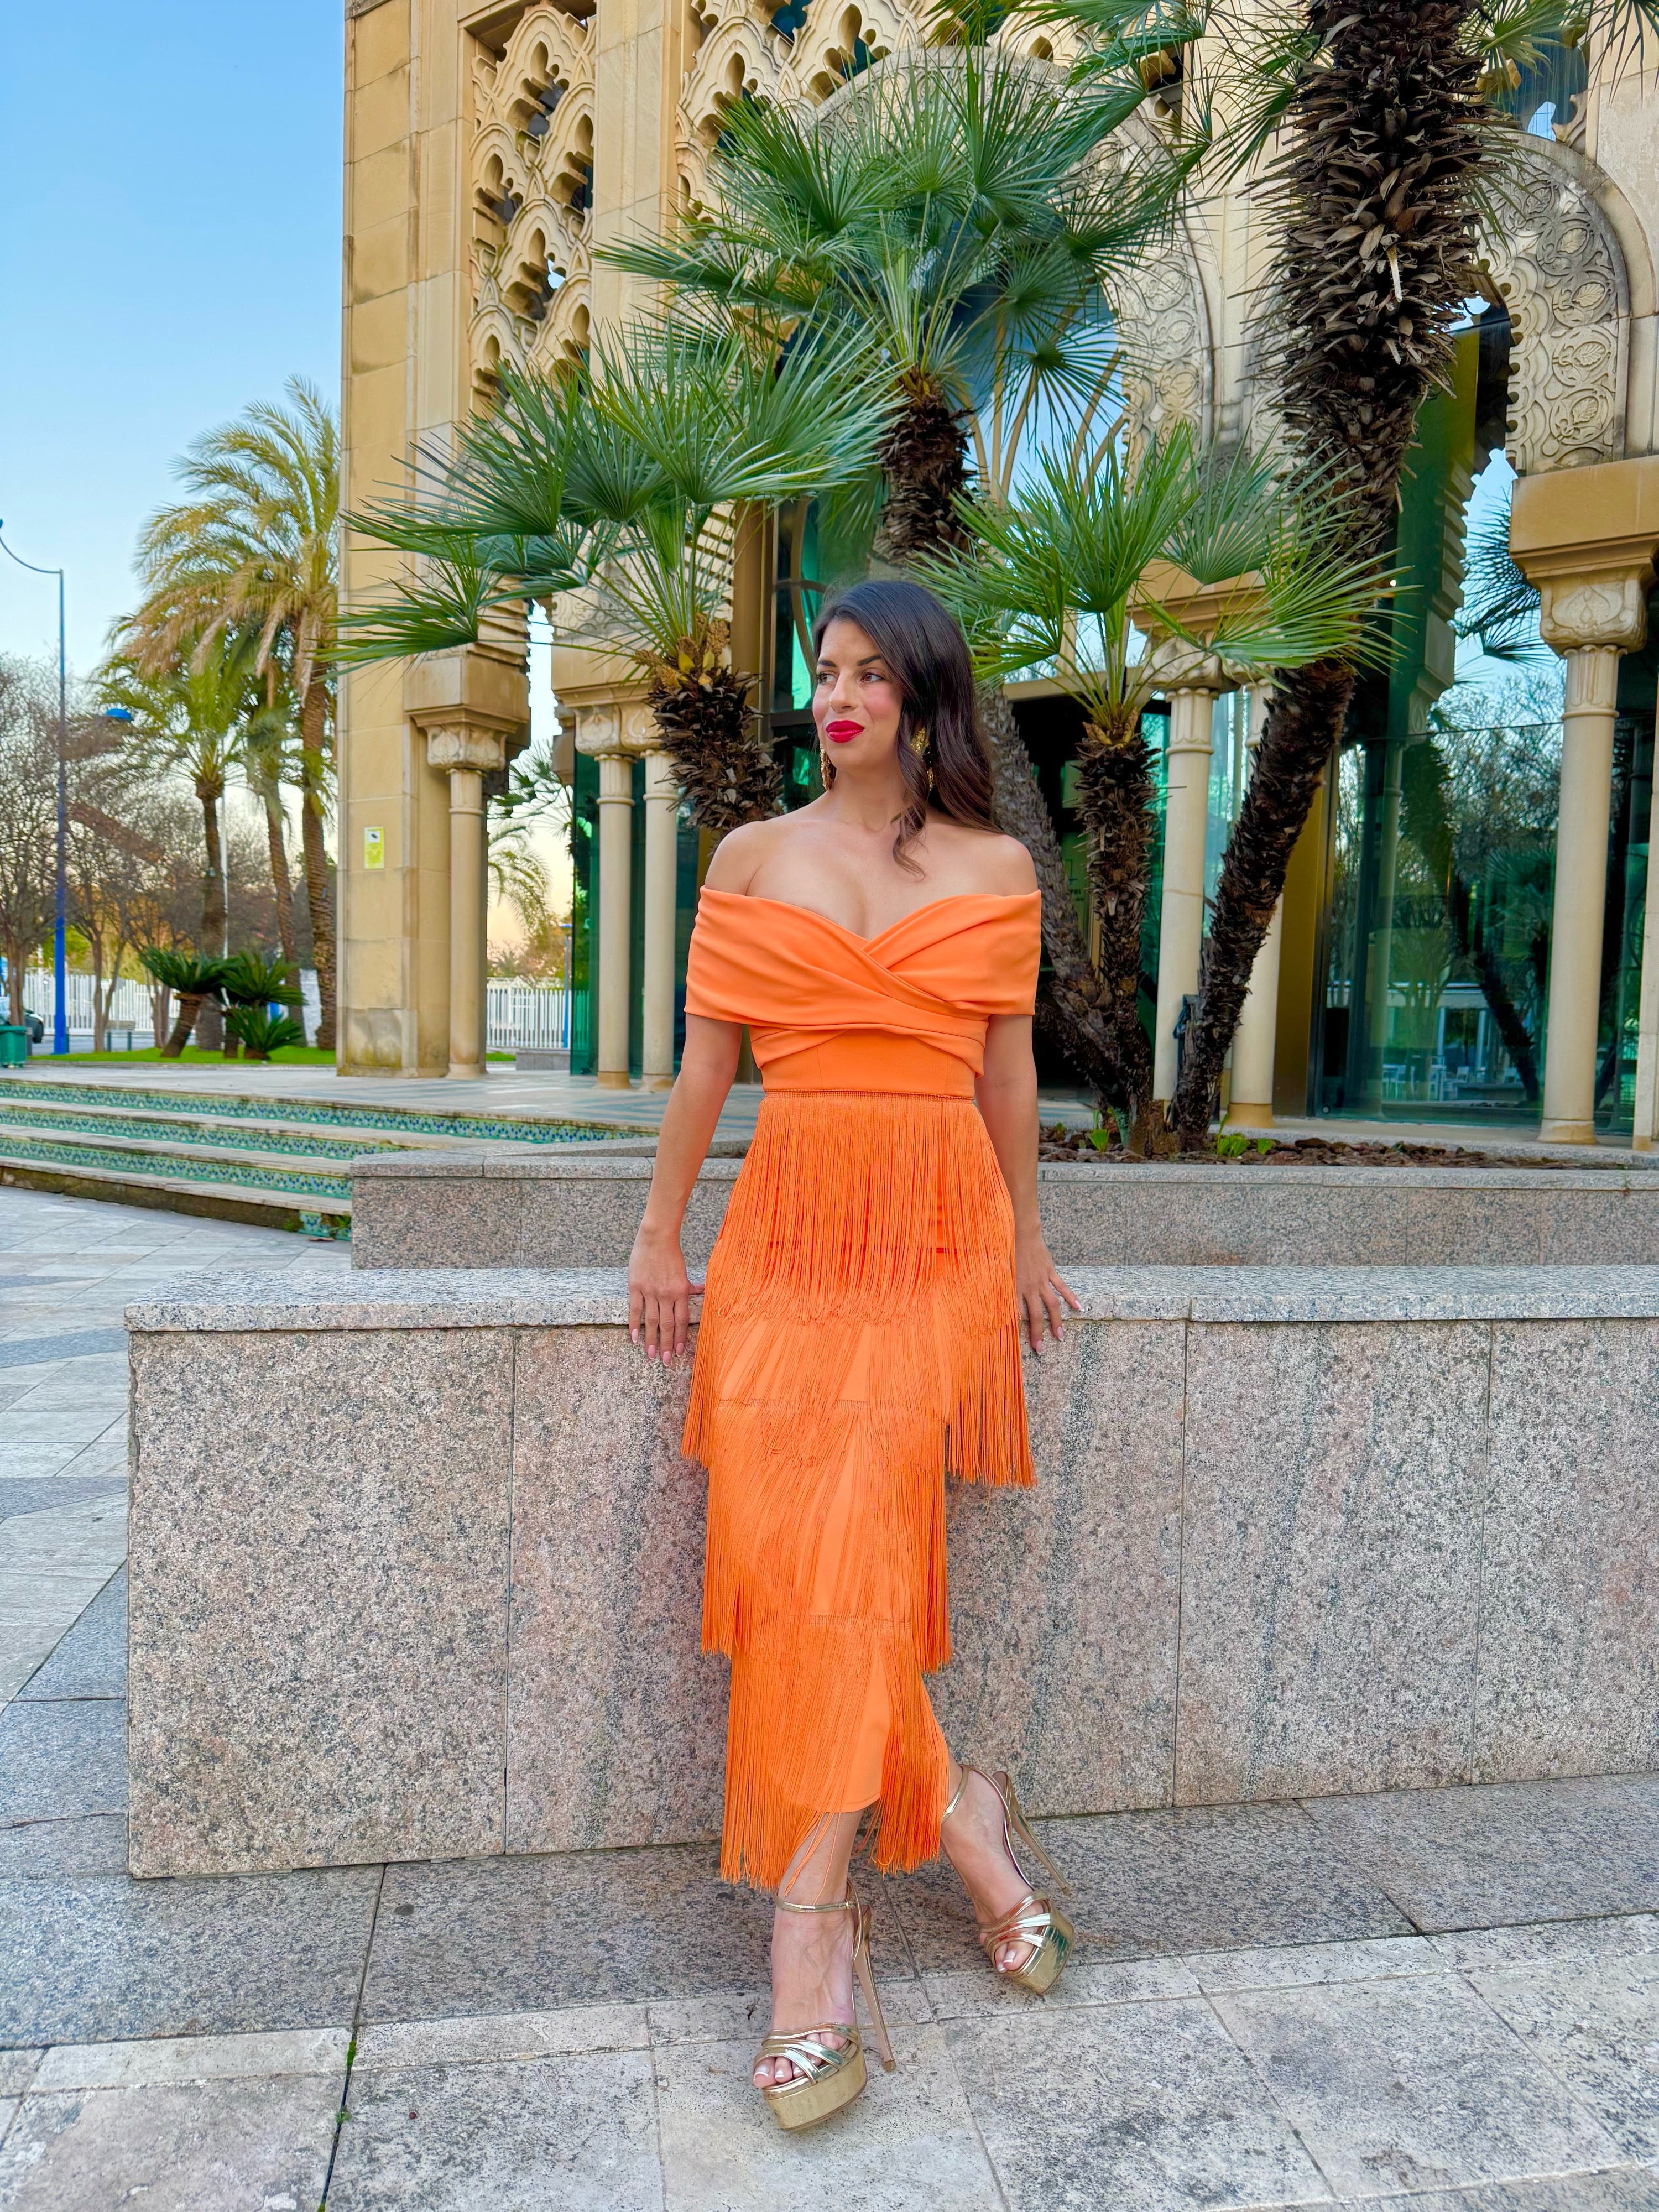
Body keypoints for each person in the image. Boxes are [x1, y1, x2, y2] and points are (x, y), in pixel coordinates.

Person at [627, 577, 1080, 2131]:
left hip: (939, 1234)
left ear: (926, 695)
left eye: (873, 673)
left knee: (860, 1539)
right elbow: (705, 1068)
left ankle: (811, 1927)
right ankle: (962, 1814)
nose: (839, 695)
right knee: (787, 1545)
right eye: (826, 669)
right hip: (785, 1232)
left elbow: (1008, 1077)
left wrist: (1026, 1243)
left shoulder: (998, 868)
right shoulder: (753, 856)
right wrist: (659, 1235)